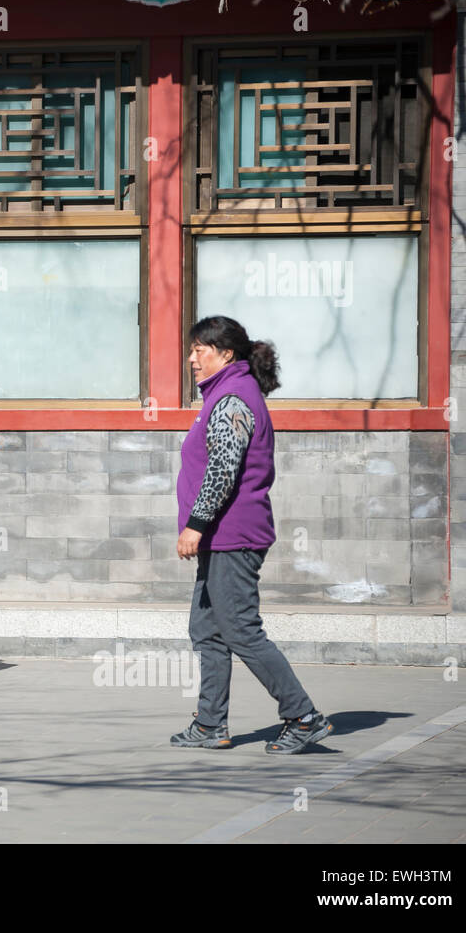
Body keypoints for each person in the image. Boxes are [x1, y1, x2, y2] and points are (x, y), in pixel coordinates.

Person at [171, 316, 334, 755]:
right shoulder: (225, 396)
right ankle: (210, 724)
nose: (191, 359)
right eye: (192, 351)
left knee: (241, 630)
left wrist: (195, 525)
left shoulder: (233, 399)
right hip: (220, 537)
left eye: (199, 350)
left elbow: (223, 471)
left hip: (232, 534)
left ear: (225, 354)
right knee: (207, 629)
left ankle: (303, 717)